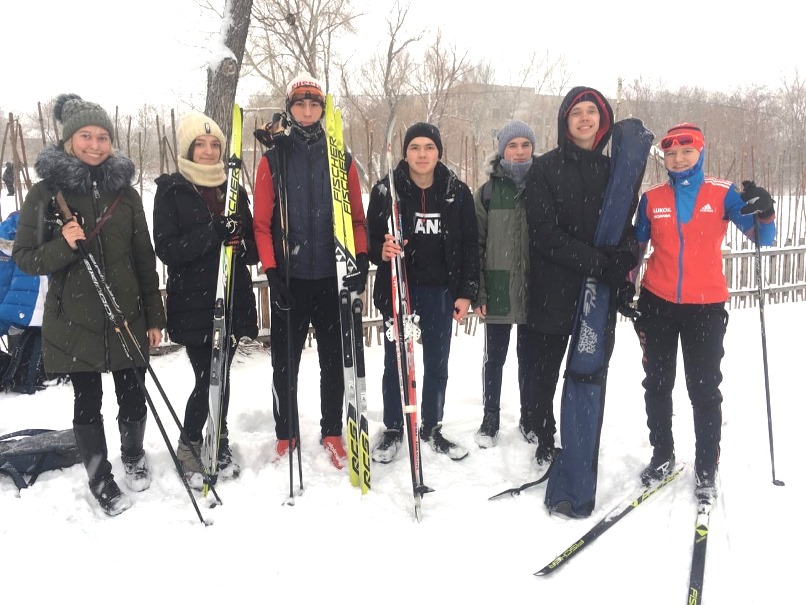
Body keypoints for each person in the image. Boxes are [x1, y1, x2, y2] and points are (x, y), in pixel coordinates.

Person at [12, 93, 165, 516]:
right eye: (85, 136)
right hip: (73, 320)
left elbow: (142, 257)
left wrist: (154, 315)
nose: (95, 144)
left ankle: (132, 453)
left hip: (125, 314)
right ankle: (100, 475)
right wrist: (63, 245)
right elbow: (25, 257)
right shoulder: (45, 194)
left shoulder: (126, 194)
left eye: (102, 136)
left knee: (133, 393)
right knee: (87, 399)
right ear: (68, 139)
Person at [627, 123, 777, 504]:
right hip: (657, 304)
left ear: (700, 152)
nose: (678, 159)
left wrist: (765, 213)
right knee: (657, 385)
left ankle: (706, 465)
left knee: (704, 389)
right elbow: (636, 250)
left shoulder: (722, 192)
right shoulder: (652, 198)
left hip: (706, 307)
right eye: (672, 153)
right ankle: (662, 455)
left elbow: (761, 238)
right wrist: (626, 286)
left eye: (686, 151)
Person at [524, 86, 639, 517]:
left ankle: (578, 449)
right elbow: (544, 233)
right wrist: (597, 262)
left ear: (603, 120)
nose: (585, 118)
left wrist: (625, 262)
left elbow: (625, 228)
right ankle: (544, 434)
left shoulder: (616, 171)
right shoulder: (545, 169)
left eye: (593, 112)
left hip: (598, 298)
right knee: (545, 377)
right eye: (577, 112)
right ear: (565, 120)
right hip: (553, 292)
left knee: (587, 381)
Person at [252, 73, 369, 469]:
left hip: (331, 277)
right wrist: (271, 271)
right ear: (290, 108)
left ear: (323, 109)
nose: (306, 111)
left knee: (334, 361)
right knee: (284, 363)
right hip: (291, 279)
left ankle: (332, 431)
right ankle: (286, 434)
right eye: (299, 104)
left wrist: (362, 258)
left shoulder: (341, 157)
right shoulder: (273, 159)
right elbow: (261, 224)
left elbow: (356, 216)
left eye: (313, 104)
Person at [152, 111, 258, 487]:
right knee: (206, 375)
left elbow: (251, 247)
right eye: (201, 144)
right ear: (188, 148)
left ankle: (220, 434)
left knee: (222, 374)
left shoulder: (233, 189)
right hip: (195, 300)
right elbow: (167, 249)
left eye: (215, 144)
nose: (209, 151)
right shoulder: (171, 190)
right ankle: (191, 440)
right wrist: (212, 233)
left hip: (231, 295)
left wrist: (240, 242)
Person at [367, 122, 479, 463]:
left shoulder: (456, 192)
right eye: (414, 147)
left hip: (440, 292)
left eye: (428, 147)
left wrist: (465, 292)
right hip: (400, 288)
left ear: (438, 152)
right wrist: (381, 250)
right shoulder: (387, 191)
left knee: (436, 362)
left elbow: (470, 245)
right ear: (405, 152)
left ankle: (431, 425)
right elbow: (371, 242)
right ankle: (393, 428)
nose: (421, 154)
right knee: (395, 362)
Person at [473, 120, 541, 449]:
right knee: (494, 358)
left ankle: (530, 417)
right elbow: (477, 244)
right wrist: (481, 291)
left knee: (530, 359)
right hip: (498, 286)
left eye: (525, 145)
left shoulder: (543, 186)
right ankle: (490, 418)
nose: (519, 151)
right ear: (502, 150)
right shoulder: (487, 191)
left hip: (533, 288)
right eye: (512, 145)